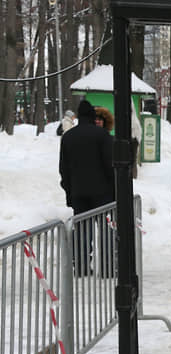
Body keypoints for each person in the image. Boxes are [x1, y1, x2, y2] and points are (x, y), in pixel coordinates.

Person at [58, 100, 115, 276]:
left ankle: (82, 267)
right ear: (92, 116)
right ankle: (107, 268)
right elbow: (109, 165)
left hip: (79, 194)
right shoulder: (102, 136)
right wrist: (114, 191)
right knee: (106, 231)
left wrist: (69, 192)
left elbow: (64, 169)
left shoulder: (68, 137)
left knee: (82, 231)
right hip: (103, 194)